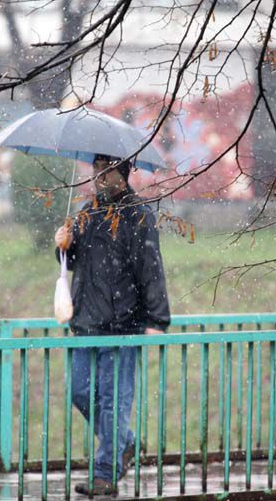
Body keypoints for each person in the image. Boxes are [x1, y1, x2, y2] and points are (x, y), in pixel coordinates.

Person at [54, 153, 170, 496]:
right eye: (96, 171)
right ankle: (126, 441)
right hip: (86, 323)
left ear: (122, 174)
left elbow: (151, 269)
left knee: (112, 401)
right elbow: (71, 262)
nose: (99, 178)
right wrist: (63, 244)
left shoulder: (138, 216)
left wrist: (156, 319)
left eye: (106, 172)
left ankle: (106, 473)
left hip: (123, 326)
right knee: (80, 393)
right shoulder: (86, 213)